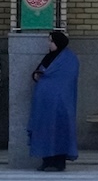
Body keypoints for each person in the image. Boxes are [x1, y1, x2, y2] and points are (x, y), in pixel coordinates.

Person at [28, 31, 79, 172]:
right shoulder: (48, 57)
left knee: (60, 129)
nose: (49, 44)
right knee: (46, 129)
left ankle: (59, 161)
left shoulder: (70, 59)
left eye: (51, 41)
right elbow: (40, 72)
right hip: (45, 103)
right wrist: (37, 76)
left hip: (62, 103)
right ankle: (47, 161)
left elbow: (67, 80)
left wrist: (48, 80)